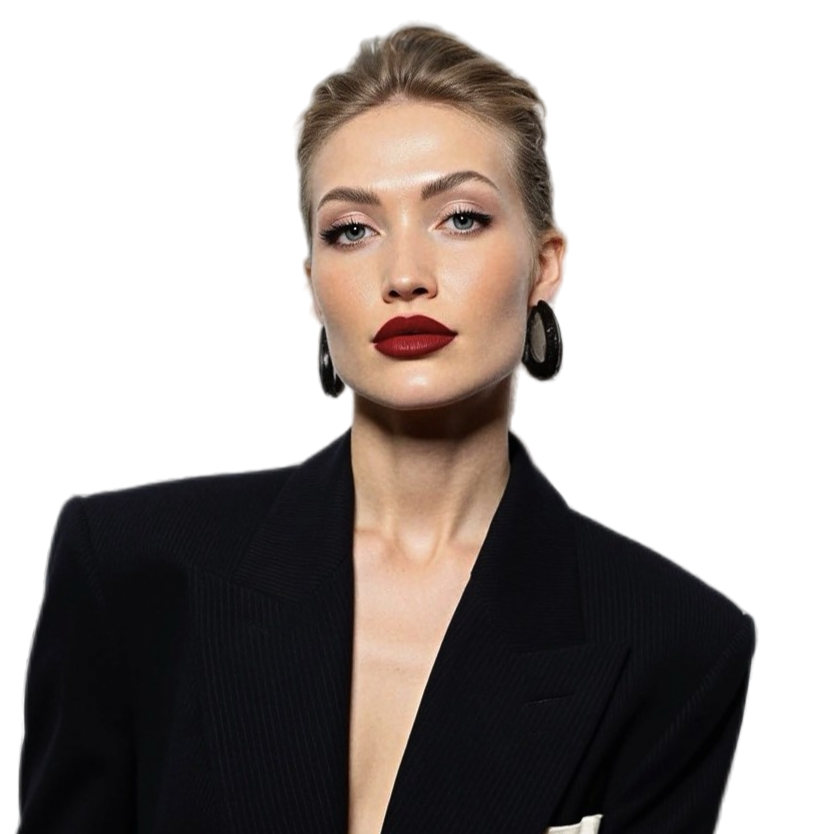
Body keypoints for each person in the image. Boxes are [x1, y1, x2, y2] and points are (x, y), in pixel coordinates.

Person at [18, 20, 757, 834]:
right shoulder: (128, 566)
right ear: (310, 285)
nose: (404, 276)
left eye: (460, 218)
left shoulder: (675, 640)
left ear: (546, 264)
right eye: (352, 230)